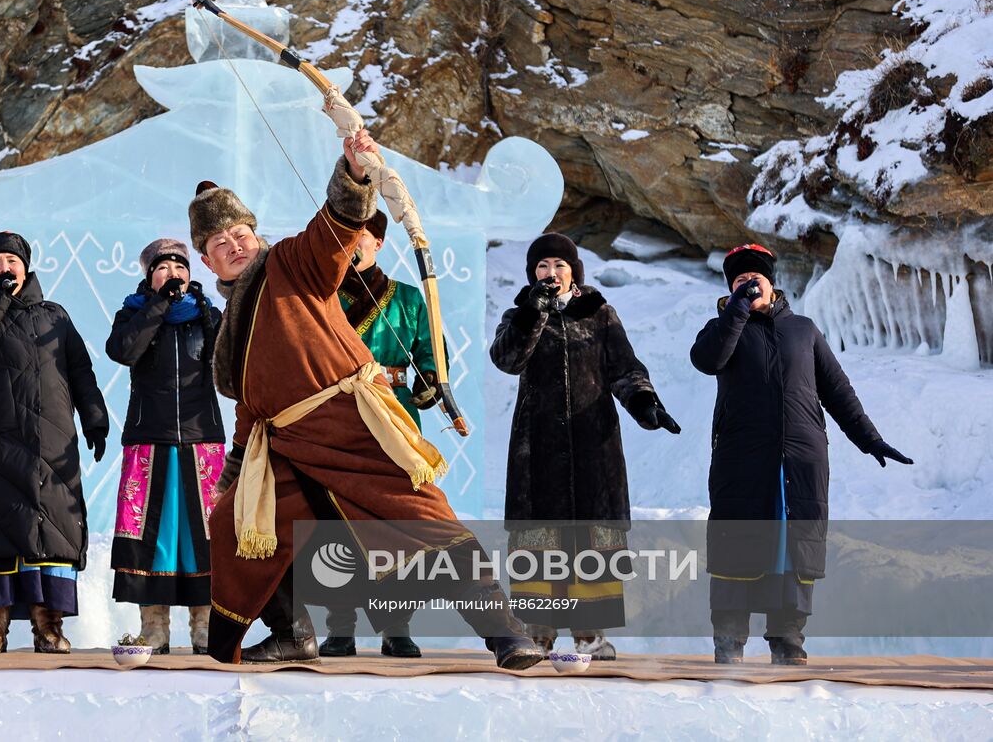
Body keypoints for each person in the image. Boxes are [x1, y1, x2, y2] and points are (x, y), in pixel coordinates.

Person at [194, 107, 541, 669]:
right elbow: (251, 411)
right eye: (219, 242)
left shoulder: (290, 263)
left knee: (426, 520)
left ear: (257, 237)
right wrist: (235, 471)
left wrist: (356, 174)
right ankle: (293, 633)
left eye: (240, 233)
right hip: (284, 446)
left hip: (350, 427)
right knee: (237, 521)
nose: (234, 244)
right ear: (207, 260)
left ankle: (505, 633)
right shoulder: (229, 333)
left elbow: (332, 229)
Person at [690, 243, 913, 666]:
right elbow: (707, 359)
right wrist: (736, 311)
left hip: (800, 462)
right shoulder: (721, 328)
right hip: (742, 461)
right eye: (739, 281)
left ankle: (788, 642)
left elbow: (837, 391)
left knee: (793, 553)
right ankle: (729, 642)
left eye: (754, 280)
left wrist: (870, 439)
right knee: (737, 544)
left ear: (772, 285)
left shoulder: (804, 330)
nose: (747, 286)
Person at [490, 232, 680, 660]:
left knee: (592, 538)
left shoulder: (600, 313)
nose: (551, 272)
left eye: (559, 264)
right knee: (539, 537)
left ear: (574, 270)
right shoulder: (517, 314)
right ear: (532, 273)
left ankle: (589, 633)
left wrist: (645, 402)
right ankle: (538, 633)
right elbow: (507, 360)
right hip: (536, 447)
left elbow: (625, 369)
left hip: (594, 444)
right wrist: (532, 314)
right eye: (542, 266)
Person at [0, 232, 109, 654]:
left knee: (49, 531)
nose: (4, 268)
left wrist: (95, 419)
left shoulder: (54, 316)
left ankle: (48, 627)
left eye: (11, 261)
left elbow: (80, 370)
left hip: (50, 444)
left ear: (26, 267)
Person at [318, 210, 439, 659]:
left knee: (395, 526)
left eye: (363, 237)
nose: (355, 245)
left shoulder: (407, 299)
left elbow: (431, 354)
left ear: (379, 243)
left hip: (393, 414)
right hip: (336, 415)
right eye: (346, 237)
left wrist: (428, 379)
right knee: (334, 523)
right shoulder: (320, 296)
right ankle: (340, 626)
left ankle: (396, 626)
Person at [106, 238, 226, 655]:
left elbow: (225, 365)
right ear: (148, 276)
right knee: (151, 535)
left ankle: (205, 628)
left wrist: (211, 319)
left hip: (200, 439)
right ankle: (154, 628)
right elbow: (122, 351)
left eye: (179, 268)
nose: (172, 275)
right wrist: (157, 305)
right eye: (163, 268)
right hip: (149, 440)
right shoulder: (133, 313)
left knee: (203, 536)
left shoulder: (209, 315)